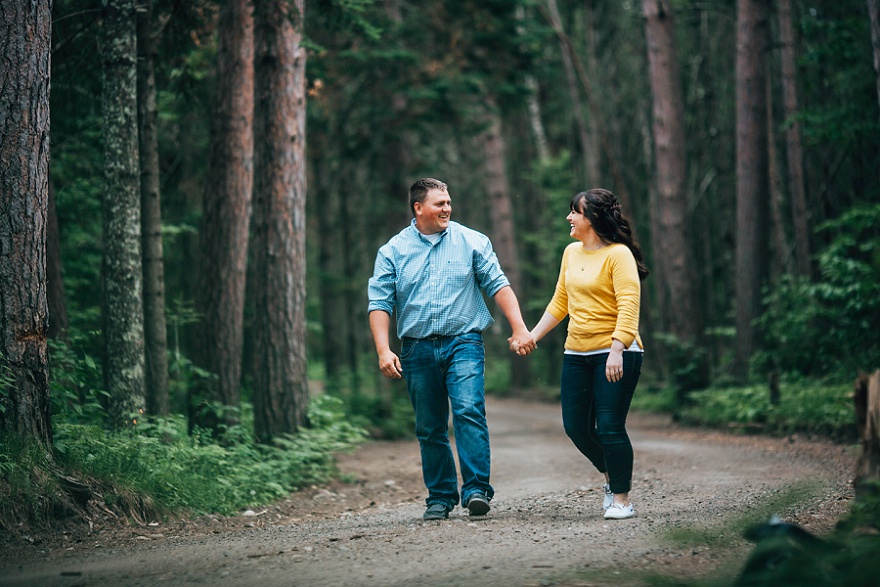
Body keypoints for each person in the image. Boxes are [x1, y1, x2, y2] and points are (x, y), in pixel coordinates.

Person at [368, 177, 535, 521]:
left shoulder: (471, 241)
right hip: (416, 349)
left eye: (448, 202)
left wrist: (519, 327)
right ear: (418, 208)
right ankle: (440, 497)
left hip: (464, 342)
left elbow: (498, 284)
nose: (447, 208)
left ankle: (476, 490)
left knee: (468, 410)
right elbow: (379, 303)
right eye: (439, 203)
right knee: (430, 426)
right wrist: (384, 350)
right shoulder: (393, 250)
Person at [510, 188, 649, 520]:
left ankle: (621, 499)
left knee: (611, 426)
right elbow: (561, 303)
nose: (569, 217)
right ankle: (611, 477)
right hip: (577, 352)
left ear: (594, 219)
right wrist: (532, 336)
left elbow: (629, 304)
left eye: (575, 212)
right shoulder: (571, 252)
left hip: (616, 352)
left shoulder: (618, 255)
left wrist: (618, 348)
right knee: (576, 426)